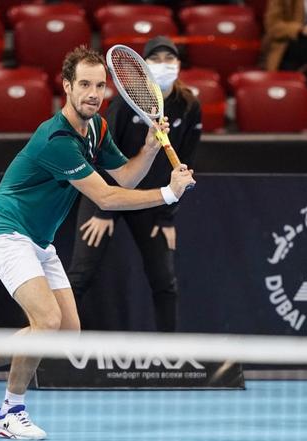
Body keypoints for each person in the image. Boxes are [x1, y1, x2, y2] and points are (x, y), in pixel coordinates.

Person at [0, 46, 196, 440]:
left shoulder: (96, 128)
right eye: (85, 85)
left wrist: (147, 148)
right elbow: (106, 197)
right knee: (46, 321)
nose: (94, 93)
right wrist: (168, 194)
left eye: (99, 86)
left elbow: (125, 178)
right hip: (5, 232)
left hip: (38, 240)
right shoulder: (57, 138)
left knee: (66, 330)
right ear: (66, 87)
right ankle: (8, 407)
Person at [68, 36, 201, 333]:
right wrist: (104, 210)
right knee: (80, 275)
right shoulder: (123, 106)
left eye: (170, 59)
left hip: (152, 200)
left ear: (179, 65)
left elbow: (186, 162)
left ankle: (168, 362)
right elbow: (100, 156)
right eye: (157, 59)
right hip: (109, 192)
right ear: (144, 68)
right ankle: (50, 355)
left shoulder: (190, 106)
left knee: (165, 281)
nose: (164, 65)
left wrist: (168, 214)